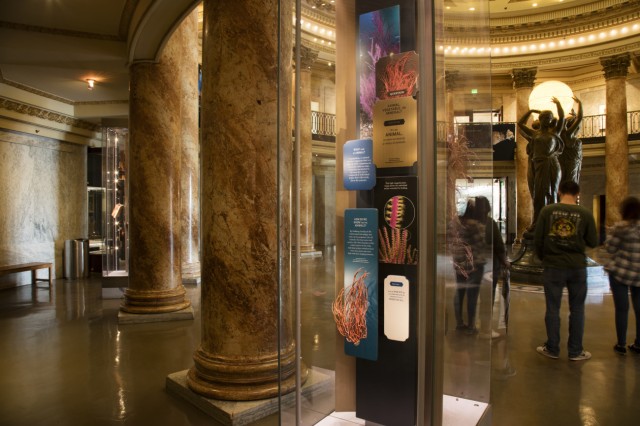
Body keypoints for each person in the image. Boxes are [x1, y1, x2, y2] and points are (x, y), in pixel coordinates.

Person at [534, 181, 598, 361]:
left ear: (559, 191)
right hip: (577, 267)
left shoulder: (547, 211)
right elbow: (593, 241)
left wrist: (544, 258)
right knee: (577, 309)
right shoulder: (585, 213)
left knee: (552, 308)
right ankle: (575, 351)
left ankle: (552, 348)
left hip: (553, 266)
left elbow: (538, 240)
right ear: (578, 193)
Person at [518, 97, 565, 232]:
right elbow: (520, 124)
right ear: (540, 119)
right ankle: (537, 222)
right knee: (539, 194)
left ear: (551, 120)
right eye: (544, 118)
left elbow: (561, 118)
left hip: (552, 164)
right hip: (539, 165)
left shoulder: (555, 132)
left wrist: (558, 104)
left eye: (549, 118)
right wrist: (530, 111)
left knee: (553, 193)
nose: (547, 120)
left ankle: (553, 222)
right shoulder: (534, 134)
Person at [604, 196, 640, 355]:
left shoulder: (619, 228)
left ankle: (621, 344)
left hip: (620, 273)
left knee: (622, 309)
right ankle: (639, 343)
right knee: (639, 309)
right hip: (638, 273)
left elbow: (610, 249)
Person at [474, 196, 509, 338]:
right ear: (488, 208)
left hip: (470, 267)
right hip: (488, 267)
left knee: (469, 297)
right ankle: (485, 329)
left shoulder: (466, 223)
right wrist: (505, 262)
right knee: (487, 297)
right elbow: (499, 246)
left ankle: (468, 326)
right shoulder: (490, 223)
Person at [451, 198, 487, 334]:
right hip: (474, 266)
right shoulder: (476, 225)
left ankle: (459, 322)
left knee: (459, 293)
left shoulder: (452, 224)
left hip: (459, 264)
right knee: (472, 295)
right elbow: (480, 245)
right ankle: (471, 325)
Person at [559, 96, 584, 186]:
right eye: (577, 126)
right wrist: (579, 103)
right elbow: (580, 118)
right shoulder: (568, 134)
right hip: (570, 163)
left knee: (571, 183)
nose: (578, 128)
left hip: (574, 163)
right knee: (570, 184)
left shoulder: (565, 135)